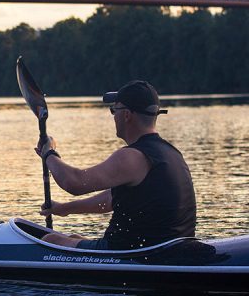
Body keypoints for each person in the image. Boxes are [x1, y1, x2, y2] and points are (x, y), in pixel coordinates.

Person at [36, 80, 196, 250]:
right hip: (168, 248)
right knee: (72, 237)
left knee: (51, 240)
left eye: (114, 110)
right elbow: (113, 199)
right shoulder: (171, 152)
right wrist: (65, 208)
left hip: (138, 254)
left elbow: (74, 182)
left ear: (126, 115)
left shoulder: (132, 157)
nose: (113, 116)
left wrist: (49, 153)